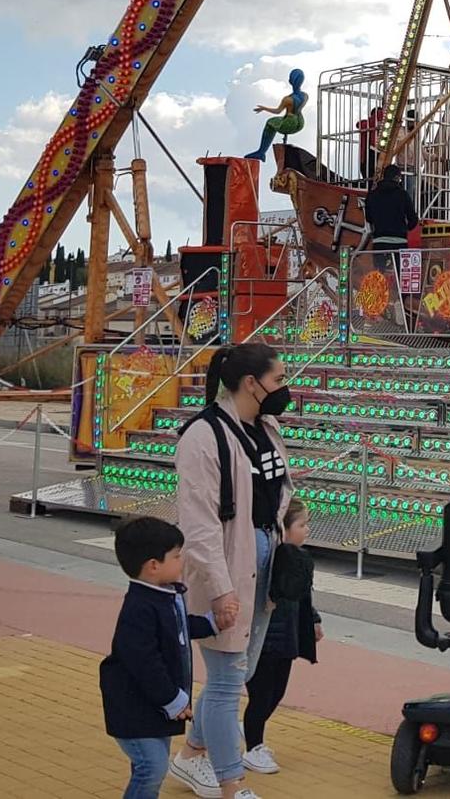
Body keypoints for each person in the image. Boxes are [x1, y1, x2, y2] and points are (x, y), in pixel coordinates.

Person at [170, 342, 292, 799]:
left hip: (263, 559)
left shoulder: (266, 426)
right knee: (224, 682)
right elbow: (198, 524)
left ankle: (190, 757)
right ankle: (230, 784)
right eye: (279, 380)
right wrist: (221, 590)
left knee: (237, 672)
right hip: (227, 564)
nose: (285, 389)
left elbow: (275, 493)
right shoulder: (203, 437)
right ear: (250, 384)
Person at [102, 516, 214, 799]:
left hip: (153, 707)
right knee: (151, 767)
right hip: (134, 706)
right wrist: (172, 699)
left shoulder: (163, 596)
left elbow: (179, 627)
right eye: (176, 556)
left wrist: (212, 624)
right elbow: (144, 662)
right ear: (153, 566)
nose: (182, 561)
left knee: (150, 765)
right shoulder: (140, 607)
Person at [242, 497, 323, 775]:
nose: (307, 529)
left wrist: (313, 620)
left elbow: (304, 595)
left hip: (287, 636)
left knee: (277, 692)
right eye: (302, 524)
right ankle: (253, 746)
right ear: (284, 529)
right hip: (264, 639)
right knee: (262, 694)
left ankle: (250, 730)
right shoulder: (268, 558)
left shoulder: (297, 559)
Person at [246, 68, 308, 161]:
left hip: (290, 122)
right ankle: (262, 152)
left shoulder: (288, 99)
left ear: (291, 81)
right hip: (300, 122)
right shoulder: (305, 96)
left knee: (270, 123)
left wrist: (264, 108)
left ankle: (262, 152)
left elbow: (277, 111)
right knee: (276, 122)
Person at [363, 163, 419, 252]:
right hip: (399, 241)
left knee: (380, 266)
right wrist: (404, 229)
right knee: (398, 266)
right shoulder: (403, 195)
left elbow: (369, 218)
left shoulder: (372, 195)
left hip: (379, 241)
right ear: (397, 178)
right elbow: (413, 219)